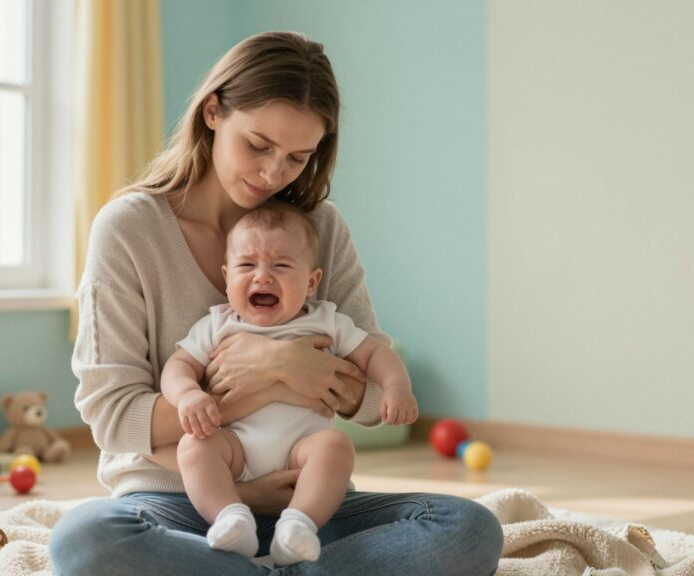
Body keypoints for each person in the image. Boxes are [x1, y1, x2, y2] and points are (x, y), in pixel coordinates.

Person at [49, 31, 503, 575]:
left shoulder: (321, 229)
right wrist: (268, 377)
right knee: (85, 541)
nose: (272, 174)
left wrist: (292, 365)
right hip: (176, 504)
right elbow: (114, 419)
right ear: (213, 112)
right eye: (258, 145)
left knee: (468, 529)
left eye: (297, 157)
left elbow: (374, 392)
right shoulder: (129, 229)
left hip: (307, 506)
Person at [160, 202, 418, 564]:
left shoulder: (327, 322)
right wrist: (187, 394)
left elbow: (375, 355)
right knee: (194, 447)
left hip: (302, 453)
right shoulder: (218, 324)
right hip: (236, 449)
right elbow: (178, 365)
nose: (262, 277)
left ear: (312, 282)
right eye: (247, 265)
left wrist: (396, 388)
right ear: (226, 276)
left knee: (336, 446)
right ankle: (231, 518)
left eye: (280, 265)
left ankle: (298, 525)